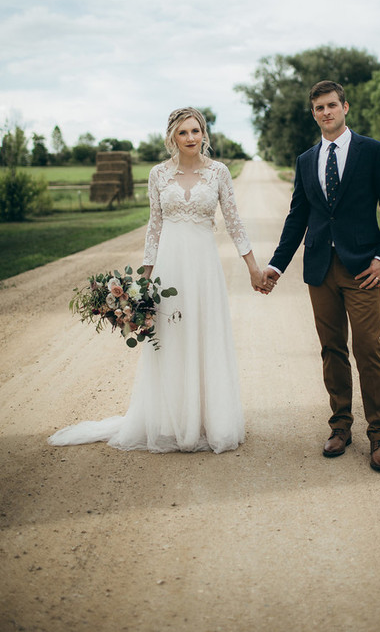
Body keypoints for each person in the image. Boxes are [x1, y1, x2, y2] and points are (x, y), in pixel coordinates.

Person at [49, 107, 270, 454]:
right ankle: (171, 420)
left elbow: (234, 223)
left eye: (195, 131)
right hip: (169, 266)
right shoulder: (158, 175)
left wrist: (253, 268)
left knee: (203, 335)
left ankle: (210, 419)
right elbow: (154, 228)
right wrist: (140, 287)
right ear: (172, 137)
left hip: (204, 268)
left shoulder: (219, 173)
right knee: (170, 339)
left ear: (204, 133)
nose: (191, 138)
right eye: (183, 133)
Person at [262, 81, 380, 471]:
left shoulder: (372, 152)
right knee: (332, 349)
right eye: (319, 108)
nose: (326, 112)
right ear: (313, 113)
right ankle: (340, 426)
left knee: (368, 348)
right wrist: (276, 266)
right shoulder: (306, 160)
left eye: (331, 105)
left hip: (362, 269)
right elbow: (297, 219)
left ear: (345, 107)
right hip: (319, 270)